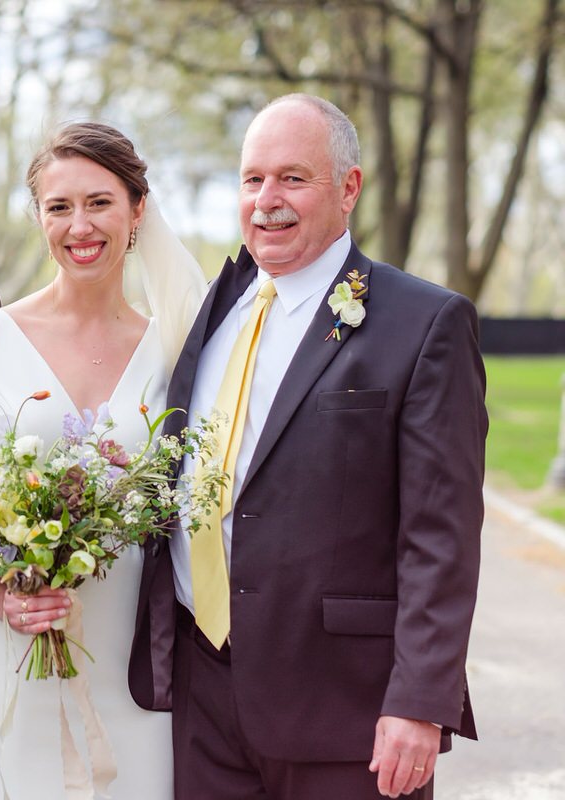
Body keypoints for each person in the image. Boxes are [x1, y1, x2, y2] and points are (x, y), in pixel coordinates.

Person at [128, 94, 486, 800]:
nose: (267, 200)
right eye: (253, 179)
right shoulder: (217, 310)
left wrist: (418, 701)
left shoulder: (425, 323)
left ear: (348, 189)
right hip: (204, 696)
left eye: (293, 178)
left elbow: (440, 537)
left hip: (345, 710)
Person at [0, 122, 207, 798]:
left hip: (130, 660)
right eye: (59, 206)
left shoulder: (175, 350)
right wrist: (5, 600)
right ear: (40, 218)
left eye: (100, 202)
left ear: (138, 210)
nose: (80, 225)